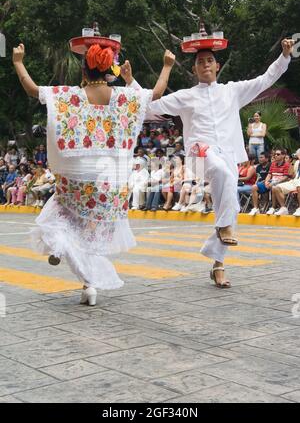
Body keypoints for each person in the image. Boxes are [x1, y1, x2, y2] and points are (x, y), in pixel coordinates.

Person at [13, 40, 175, 305]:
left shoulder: (69, 95)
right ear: (108, 71)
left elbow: (32, 90)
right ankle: (89, 286)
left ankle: (60, 245)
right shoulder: (124, 97)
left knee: (59, 215)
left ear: (84, 71)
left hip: (75, 177)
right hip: (109, 183)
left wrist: (18, 62)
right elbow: (156, 93)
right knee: (90, 236)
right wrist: (167, 66)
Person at [124, 38, 294, 287]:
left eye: (209, 60)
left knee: (232, 206)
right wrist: (130, 82)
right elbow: (149, 108)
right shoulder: (185, 96)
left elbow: (264, 79)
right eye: (200, 61)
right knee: (220, 171)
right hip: (199, 155)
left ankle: (218, 265)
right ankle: (223, 227)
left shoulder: (232, 91)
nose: (205, 64)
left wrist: (285, 56)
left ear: (217, 66)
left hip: (226, 156)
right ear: (194, 70)